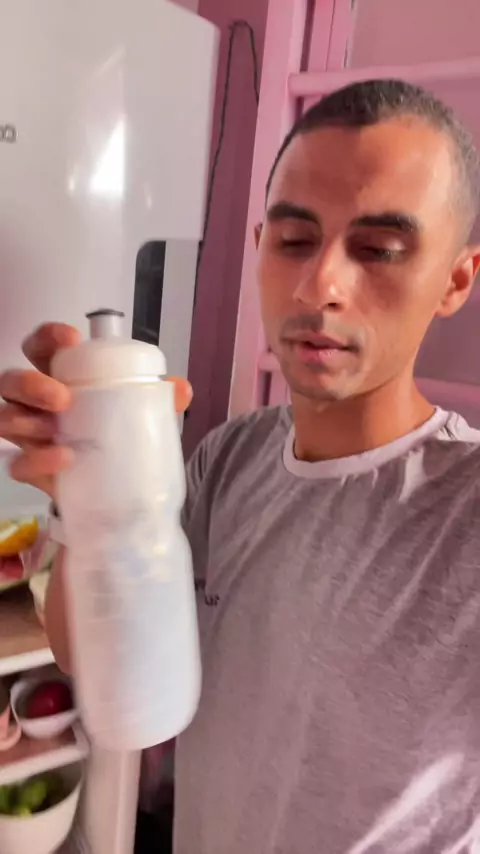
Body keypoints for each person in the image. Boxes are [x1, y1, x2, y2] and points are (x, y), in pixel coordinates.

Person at [1, 78, 480, 852]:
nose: (320, 284)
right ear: (258, 246)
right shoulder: (229, 459)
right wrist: (79, 505)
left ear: (456, 278)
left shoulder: (464, 509)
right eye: (293, 240)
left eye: (378, 249)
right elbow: (85, 656)